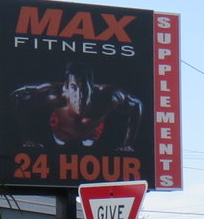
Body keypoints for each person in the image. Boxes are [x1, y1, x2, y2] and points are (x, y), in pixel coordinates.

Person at [8, 63, 145, 155]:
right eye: (74, 88)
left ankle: (89, 135)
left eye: (84, 88)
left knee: (89, 132)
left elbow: (136, 105)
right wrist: (27, 139)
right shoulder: (54, 94)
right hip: (61, 130)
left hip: (92, 131)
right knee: (61, 137)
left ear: (92, 88)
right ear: (65, 89)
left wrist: (127, 144)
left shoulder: (108, 96)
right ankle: (62, 135)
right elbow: (17, 97)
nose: (79, 95)